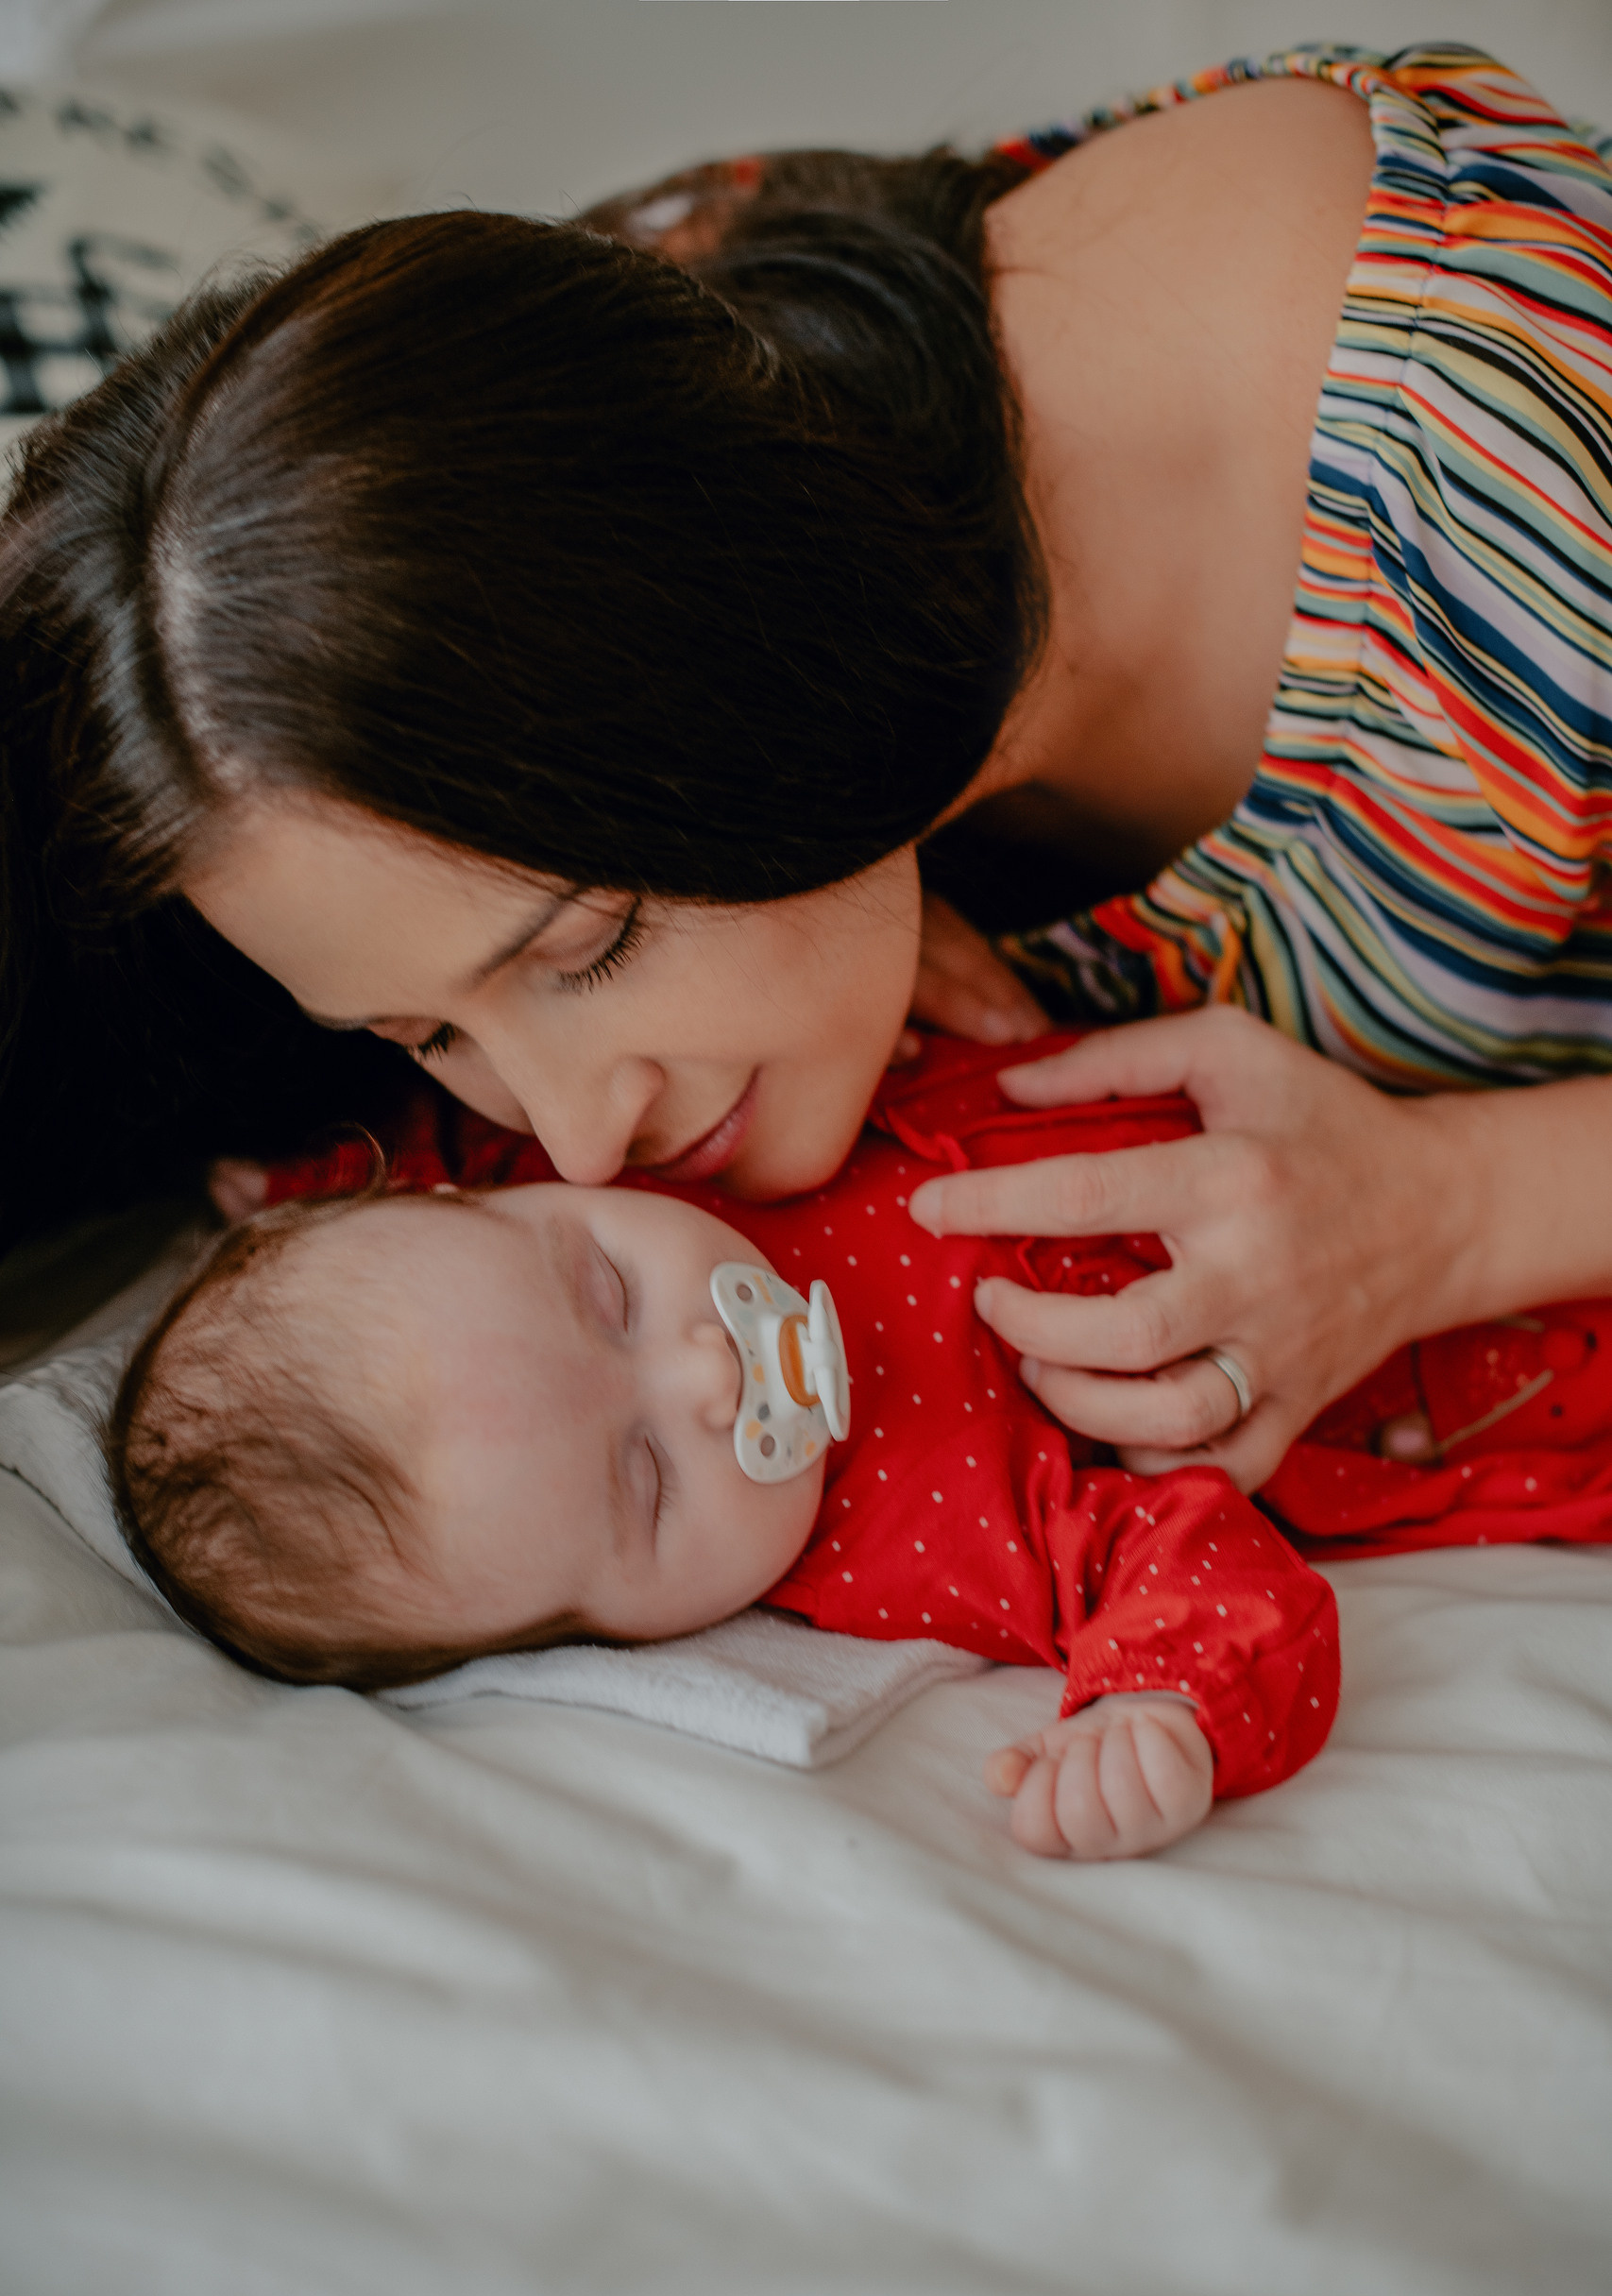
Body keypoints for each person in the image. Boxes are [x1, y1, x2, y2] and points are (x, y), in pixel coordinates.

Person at [7, 43, 1612, 1492]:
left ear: (771, 647)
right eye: (429, 1031)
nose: (573, 1142)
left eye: (592, 945)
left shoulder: (1516, 476)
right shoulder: (585, 481)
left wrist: (1450, 1209)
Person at [110, 1038, 1345, 1864]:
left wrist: (303, 1182)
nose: (710, 1370)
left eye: (609, 1291)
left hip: (1284, 1054)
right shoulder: (901, 1543)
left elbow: (444, 1153)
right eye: (644, 1477)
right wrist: (1156, 1706)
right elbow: (1186, 1554)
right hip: (1398, 1342)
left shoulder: (608, 1149)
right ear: (608, 1637)